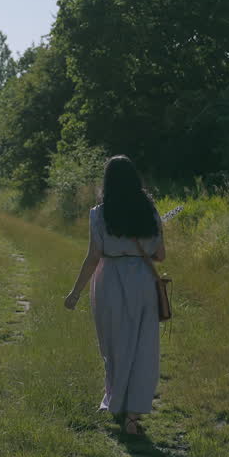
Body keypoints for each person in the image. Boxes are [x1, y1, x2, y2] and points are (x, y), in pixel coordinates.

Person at [63, 155, 166, 436]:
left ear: (107, 182)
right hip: (143, 283)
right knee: (144, 348)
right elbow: (160, 255)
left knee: (113, 346)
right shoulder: (150, 211)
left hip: (109, 281)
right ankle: (133, 417)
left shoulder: (99, 213)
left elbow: (93, 257)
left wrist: (75, 292)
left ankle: (115, 401)